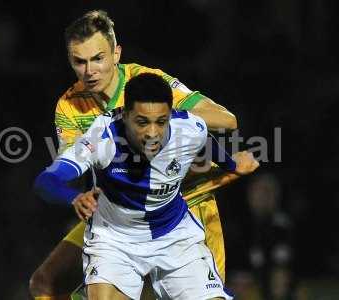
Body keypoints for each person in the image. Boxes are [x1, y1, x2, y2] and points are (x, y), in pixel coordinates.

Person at [29, 10, 238, 300]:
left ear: (116, 54)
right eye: (80, 61)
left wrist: (158, 117)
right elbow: (74, 166)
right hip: (120, 215)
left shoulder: (147, 84)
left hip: (185, 207)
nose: (90, 71)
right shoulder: (69, 106)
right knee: (45, 283)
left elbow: (226, 120)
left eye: (98, 58)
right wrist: (76, 196)